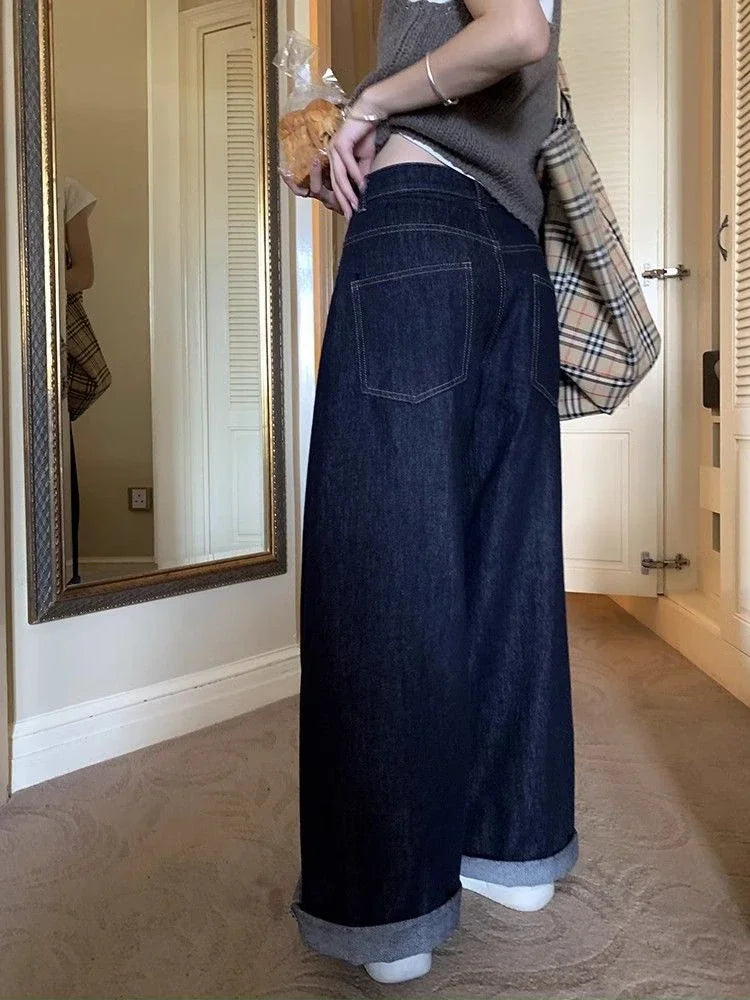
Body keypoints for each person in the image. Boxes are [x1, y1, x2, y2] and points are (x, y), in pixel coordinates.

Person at [284, 0, 576, 984]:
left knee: (383, 560)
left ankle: (393, 905)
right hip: (514, 256)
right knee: (508, 560)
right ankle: (510, 844)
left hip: (419, 228)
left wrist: (371, 106)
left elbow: (516, 34)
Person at [62, 176, 97, 585]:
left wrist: (31, 285)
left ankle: (65, 573)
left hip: (47, 337)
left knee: (55, 446)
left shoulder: (65, 191)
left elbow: (84, 273)